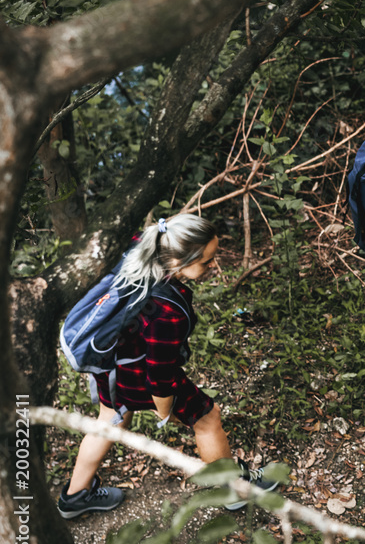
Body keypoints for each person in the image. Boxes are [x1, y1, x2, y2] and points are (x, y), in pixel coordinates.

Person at [57, 214, 279, 518]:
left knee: (109, 420)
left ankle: (75, 497)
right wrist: (165, 412)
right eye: (206, 261)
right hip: (138, 374)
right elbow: (160, 375)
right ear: (178, 259)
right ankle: (236, 491)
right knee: (206, 418)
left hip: (111, 366)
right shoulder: (166, 311)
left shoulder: (143, 245)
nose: (212, 267)